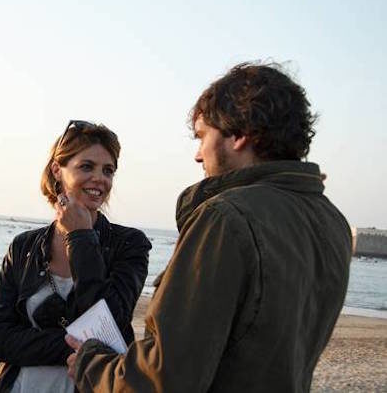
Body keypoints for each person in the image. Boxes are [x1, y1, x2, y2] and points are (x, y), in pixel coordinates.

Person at [65, 63, 352, 392]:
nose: (198, 155)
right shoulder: (333, 223)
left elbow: (165, 378)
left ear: (240, 134)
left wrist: (92, 362)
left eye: (203, 136)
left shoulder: (226, 217)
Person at [0, 121, 152, 392]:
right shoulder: (23, 247)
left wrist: (81, 238)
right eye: (86, 166)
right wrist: (81, 345)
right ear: (57, 170)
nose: (100, 178)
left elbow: (108, 323)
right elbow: (1, 339)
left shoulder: (129, 245)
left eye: (108, 170)